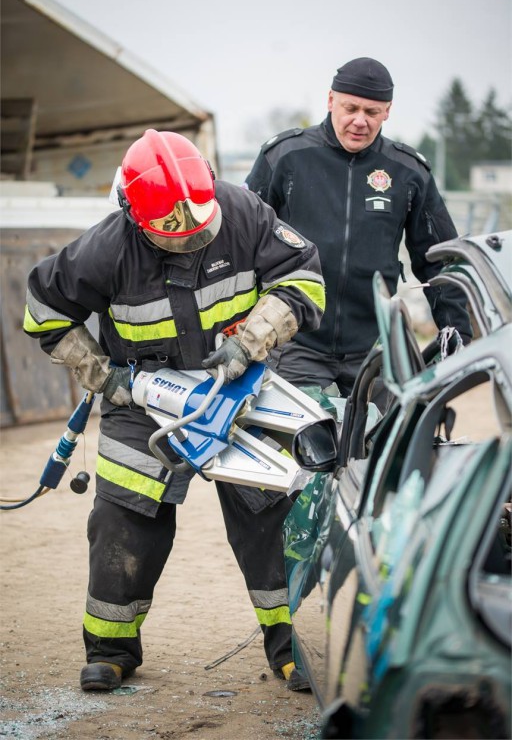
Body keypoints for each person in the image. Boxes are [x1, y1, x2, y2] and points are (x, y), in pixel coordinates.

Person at [23, 130, 325, 692]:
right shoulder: (105, 248)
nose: (187, 233)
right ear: (134, 214)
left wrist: (252, 341)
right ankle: (111, 650)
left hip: (239, 390)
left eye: (197, 221)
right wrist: (105, 377)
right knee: (122, 519)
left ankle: (289, 646)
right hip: (144, 404)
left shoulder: (243, 212)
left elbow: (303, 276)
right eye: (170, 228)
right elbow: (43, 311)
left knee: (269, 517)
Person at [244, 57, 472, 406]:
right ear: (331, 100)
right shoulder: (285, 157)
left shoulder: (409, 171)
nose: (360, 121)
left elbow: (440, 260)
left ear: (388, 112)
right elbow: (243, 244)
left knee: (385, 447)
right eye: (351, 108)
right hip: (297, 341)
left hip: (376, 347)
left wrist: (457, 332)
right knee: (304, 451)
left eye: (372, 112)